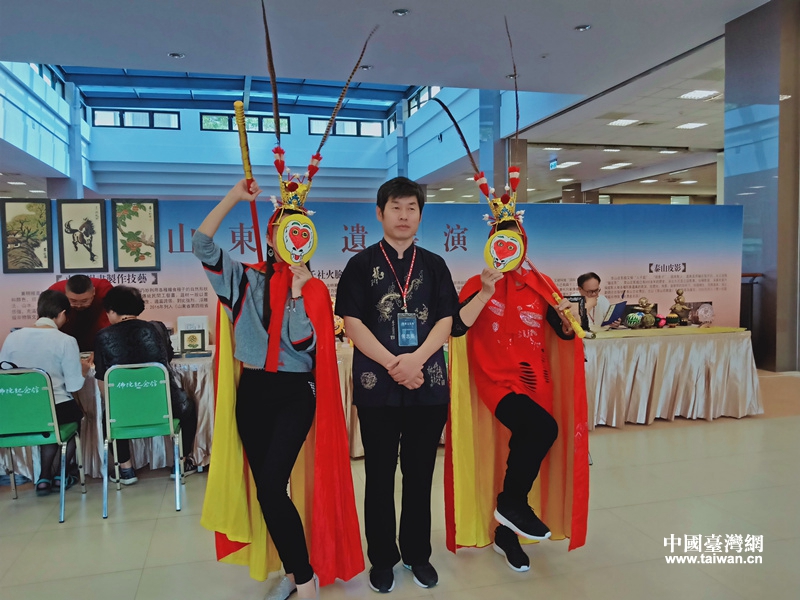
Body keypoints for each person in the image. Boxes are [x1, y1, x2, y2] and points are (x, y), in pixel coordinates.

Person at [193, 179, 363, 600]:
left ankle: (304, 581)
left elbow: (305, 346)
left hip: (295, 392)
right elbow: (201, 244)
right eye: (284, 230)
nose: (292, 238)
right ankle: (294, 571)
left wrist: (300, 296)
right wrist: (234, 197)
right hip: (253, 392)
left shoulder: (316, 289)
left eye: (300, 231)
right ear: (271, 237)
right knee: (267, 491)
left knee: (272, 485)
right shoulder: (244, 280)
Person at [445, 198, 589, 573]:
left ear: (523, 245)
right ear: (490, 243)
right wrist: (485, 292)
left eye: (514, 241)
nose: (507, 247)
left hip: (536, 379)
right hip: (494, 380)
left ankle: (506, 530)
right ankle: (511, 505)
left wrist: (566, 321)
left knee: (524, 446)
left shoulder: (541, 285)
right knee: (541, 429)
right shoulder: (477, 284)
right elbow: (457, 327)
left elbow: (563, 333)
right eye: (500, 240)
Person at [335, 176, 459, 593]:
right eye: (396, 207)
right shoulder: (360, 265)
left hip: (428, 383)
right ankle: (383, 559)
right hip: (378, 386)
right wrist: (394, 363)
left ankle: (418, 554)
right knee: (380, 476)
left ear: (420, 215)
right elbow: (352, 322)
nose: (404, 216)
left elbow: (446, 320)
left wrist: (416, 360)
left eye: (412, 208)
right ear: (380, 213)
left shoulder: (435, 265)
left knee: (420, 474)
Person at [93, 286, 198, 485]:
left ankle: (126, 470)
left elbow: (102, 380)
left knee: (110, 416)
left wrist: (116, 405)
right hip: (165, 406)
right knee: (188, 408)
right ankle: (181, 463)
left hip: (124, 410)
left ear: (112, 311)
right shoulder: (156, 328)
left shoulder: (102, 337)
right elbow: (167, 358)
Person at [0, 290, 90, 495]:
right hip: (56, 408)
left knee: (48, 423)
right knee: (74, 419)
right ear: (62, 313)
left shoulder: (12, 338)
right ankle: (60, 474)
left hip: (18, 411)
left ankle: (43, 477)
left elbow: (4, 376)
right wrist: (83, 370)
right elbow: (74, 386)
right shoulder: (65, 340)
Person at [48, 275, 114, 351]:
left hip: (99, 339)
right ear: (65, 293)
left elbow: (116, 320)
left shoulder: (104, 289)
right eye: (73, 301)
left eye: (84, 301)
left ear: (94, 291)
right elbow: (46, 323)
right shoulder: (55, 291)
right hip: (64, 342)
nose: (79, 305)